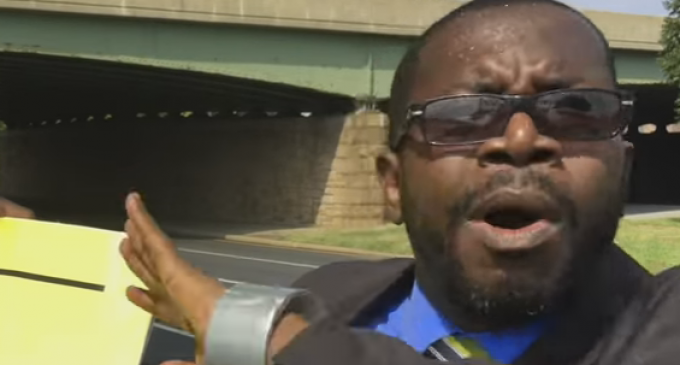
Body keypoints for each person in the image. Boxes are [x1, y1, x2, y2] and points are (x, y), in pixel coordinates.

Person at [4, 1, 679, 364]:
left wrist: (265, 336)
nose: (522, 139)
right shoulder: (325, 291)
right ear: (391, 184)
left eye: (576, 110)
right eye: (465, 116)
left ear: (623, 162)